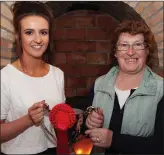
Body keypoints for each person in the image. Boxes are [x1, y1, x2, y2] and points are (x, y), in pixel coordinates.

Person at [84, 20, 164, 154]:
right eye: (124, 45)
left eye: (138, 45)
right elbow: (85, 132)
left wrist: (114, 140)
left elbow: (161, 146)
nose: (130, 52)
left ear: (147, 50)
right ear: (115, 52)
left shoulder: (161, 90)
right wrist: (88, 122)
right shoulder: (99, 84)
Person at [1, 2, 65, 154]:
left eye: (43, 32)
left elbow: (59, 120)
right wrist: (28, 120)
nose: (38, 39)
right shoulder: (5, 77)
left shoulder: (57, 74)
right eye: (29, 32)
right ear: (18, 36)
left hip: (53, 150)